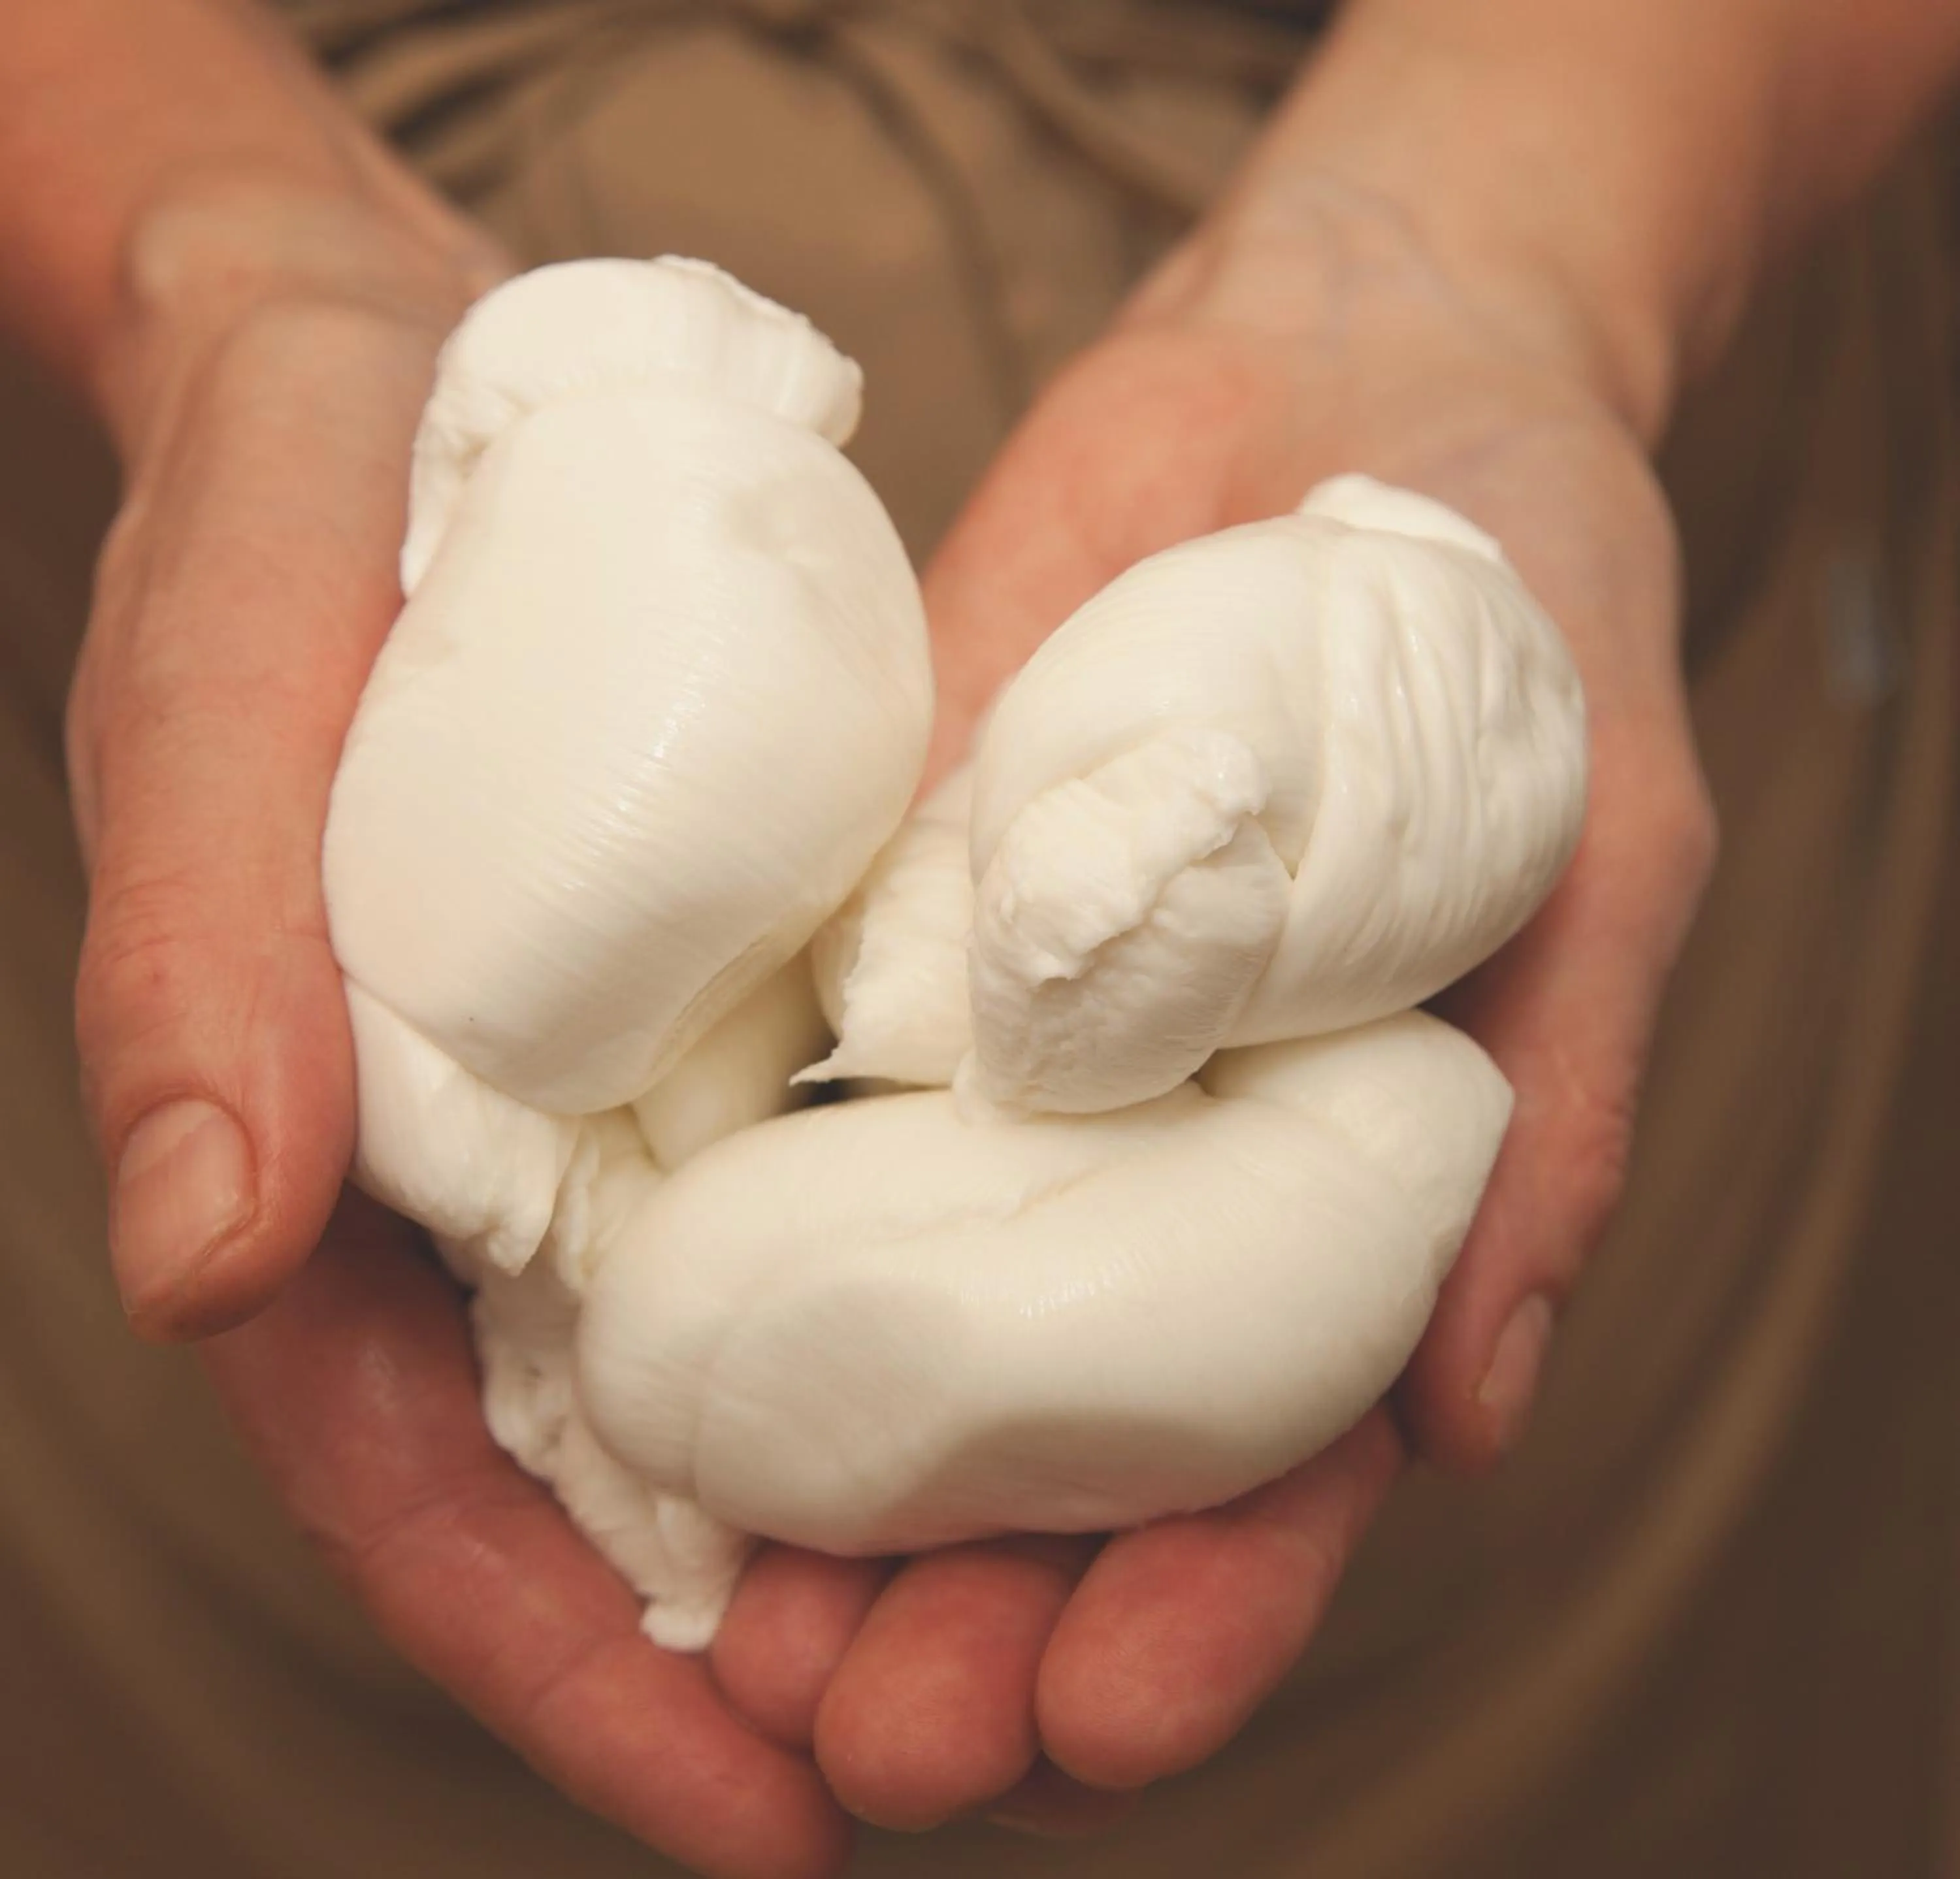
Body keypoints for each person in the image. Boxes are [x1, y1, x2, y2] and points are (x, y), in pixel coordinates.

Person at [0, 1, 1953, 1874]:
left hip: (1619, 210)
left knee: (1566, 1756)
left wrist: (1506, 246)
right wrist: (210, 230)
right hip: (248, 405)